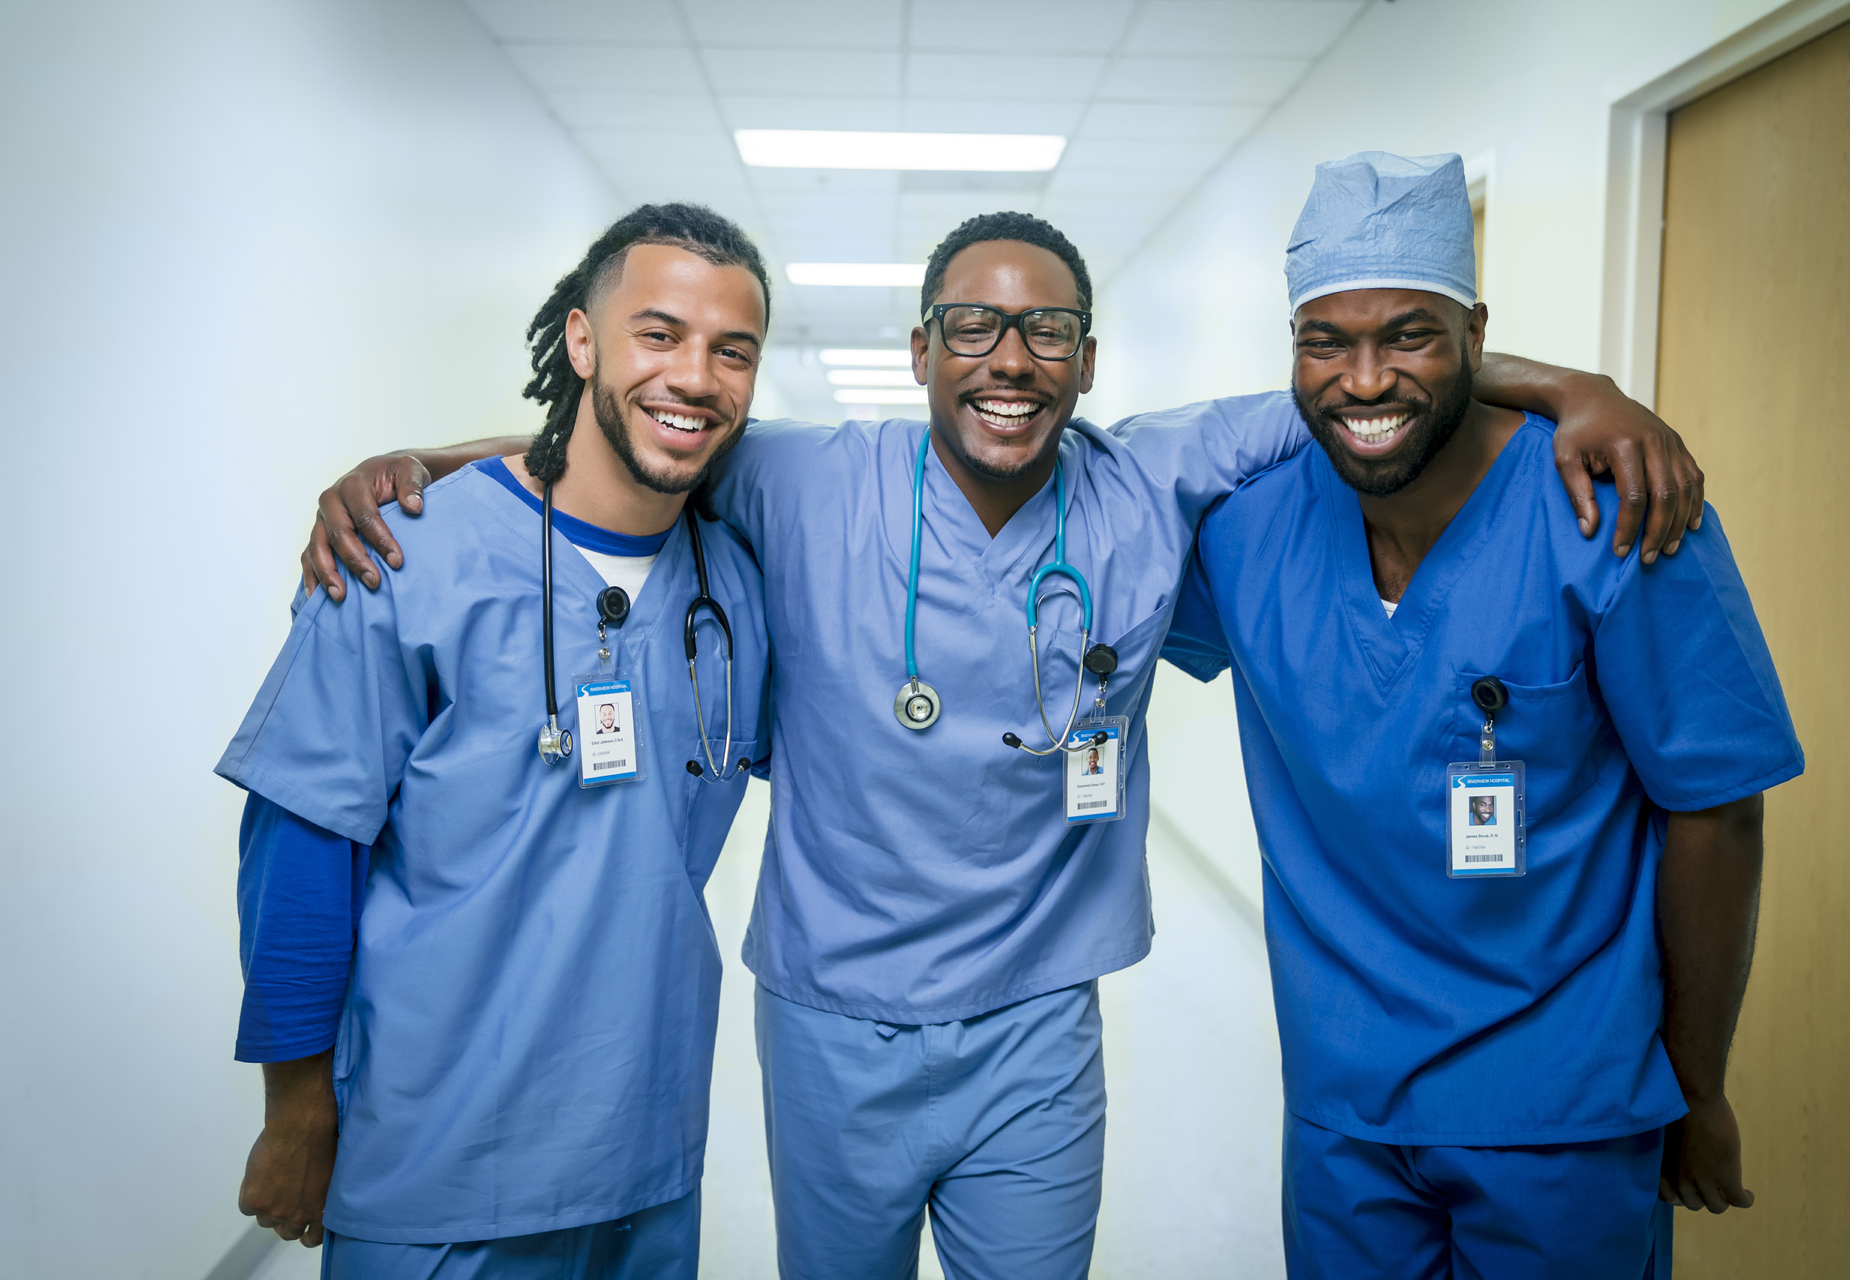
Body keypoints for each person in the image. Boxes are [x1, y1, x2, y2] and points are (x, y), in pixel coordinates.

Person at [300, 209, 1704, 1279]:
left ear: (1090, 360)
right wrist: (426, 467)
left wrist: (1576, 386)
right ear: (919, 351)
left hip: (1039, 1026)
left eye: (1047, 334)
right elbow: (629, 445)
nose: (1009, 362)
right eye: (970, 326)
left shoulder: (1155, 474)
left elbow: (1369, 384)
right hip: (833, 1023)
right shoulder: (804, 480)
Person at [1163, 152, 1803, 1279]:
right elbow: (1078, 480)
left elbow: (1718, 812)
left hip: (1567, 1105)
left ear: (1475, 333)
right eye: (1326, 339)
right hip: (1343, 1106)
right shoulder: (1246, 530)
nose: (1364, 380)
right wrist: (1559, 377)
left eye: (1410, 333)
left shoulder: (1619, 511)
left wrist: (1698, 1085)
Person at [218, 204, 773, 1277]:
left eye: (731, 350)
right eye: (658, 333)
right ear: (581, 340)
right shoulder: (405, 554)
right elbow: (299, 845)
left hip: (646, 1158)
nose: (696, 374)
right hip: (437, 1163)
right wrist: (295, 1112)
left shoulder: (737, 583)